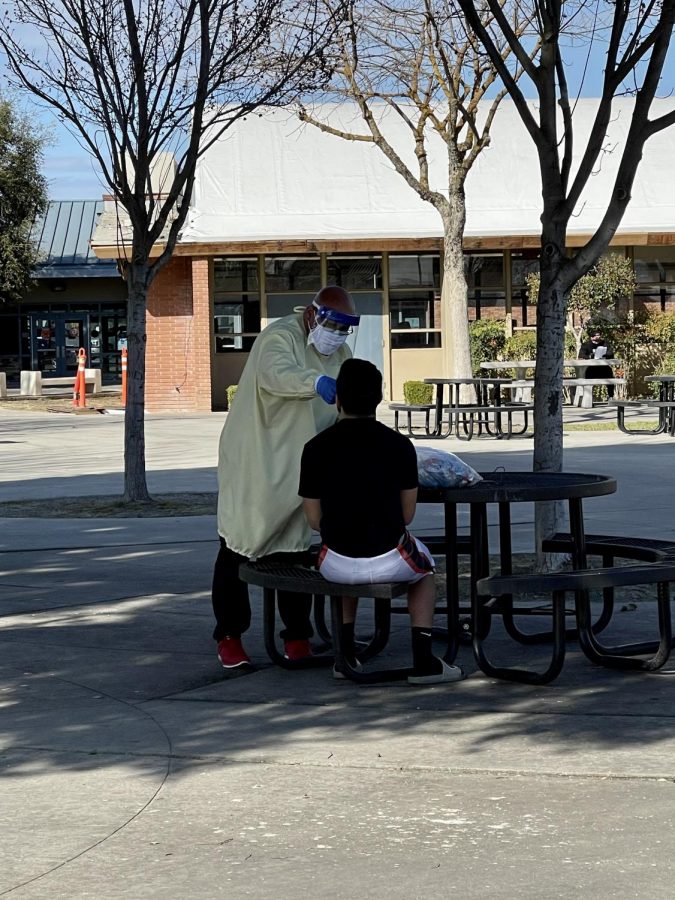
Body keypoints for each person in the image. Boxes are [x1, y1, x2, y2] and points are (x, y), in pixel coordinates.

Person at [212, 285, 360, 668]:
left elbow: (343, 406)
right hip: (256, 460)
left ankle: (297, 636)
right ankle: (229, 635)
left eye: (346, 329)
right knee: (240, 547)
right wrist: (315, 383)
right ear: (312, 315)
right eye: (334, 325)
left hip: (301, 463)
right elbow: (277, 374)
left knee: (294, 553)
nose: (338, 336)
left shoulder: (340, 353)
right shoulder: (279, 336)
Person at [298, 358, 466, 685]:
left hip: (336, 562)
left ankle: (344, 655)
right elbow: (407, 516)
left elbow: (314, 520)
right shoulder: (400, 446)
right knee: (426, 570)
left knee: (342, 562)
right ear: (378, 398)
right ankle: (423, 659)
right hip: (390, 556)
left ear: (338, 399)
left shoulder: (315, 448)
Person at [579, 328, 615, 399]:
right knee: (587, 379)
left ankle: (611, 396)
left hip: (603, 368)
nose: (598, 337)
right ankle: (588, 399)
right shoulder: (586, 345)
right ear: (591, 337)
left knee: (610, 377)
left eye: (599, 335)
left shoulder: (605, 343)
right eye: (596, 335)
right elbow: (581, 355)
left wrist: (604, 355)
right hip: (591, 368)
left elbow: (611, 353)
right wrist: (590, 356)